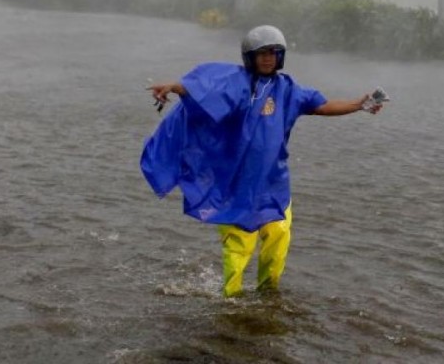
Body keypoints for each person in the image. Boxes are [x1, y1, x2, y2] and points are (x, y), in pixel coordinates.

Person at [140, 25, 384, 297]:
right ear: (250, 56)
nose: (268, 58)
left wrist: (357, 105)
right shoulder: (236, 84)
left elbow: (322, 105)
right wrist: (175, 87)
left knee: (278, 240)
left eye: (274, 53)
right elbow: (206, 91)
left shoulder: (288, 90)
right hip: (237, 187)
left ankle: (268, 296)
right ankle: (230, 302)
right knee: (238, 248)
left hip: (274, 184)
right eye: (262, 53)